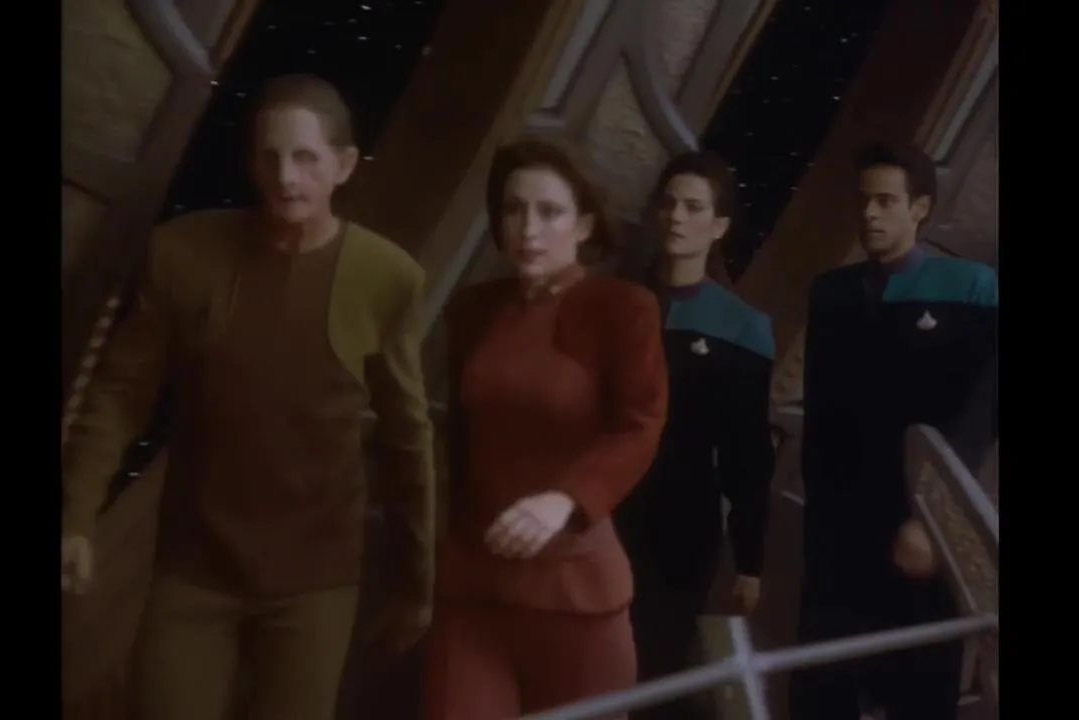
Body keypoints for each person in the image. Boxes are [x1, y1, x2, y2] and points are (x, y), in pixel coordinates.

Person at [59, 73, 435, 720]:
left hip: (316, 577)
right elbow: (120, 395)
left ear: (344, 165)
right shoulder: (184, 253)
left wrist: (416, 581)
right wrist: (76, 517)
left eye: (306, 158)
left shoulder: (386, 277)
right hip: (196, 566)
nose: (286, 177)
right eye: (270, 157)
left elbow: (407, 437)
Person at [425, 137, 668, 720]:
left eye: (550, 211)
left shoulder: (621, 309)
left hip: (576, 592)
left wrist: (564, 498)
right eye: (513, 209)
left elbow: (639, 426)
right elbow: (458, 440)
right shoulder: (473, 311)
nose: (528, 229)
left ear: (584, 225)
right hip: (474, 587)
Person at [790, 141, 998, 720]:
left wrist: (931, 518)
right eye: (863, 200)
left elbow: (980, 414)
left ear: (920, 208)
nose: (870, 214)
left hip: (924, 529)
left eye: (886, 201)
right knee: (819, 691)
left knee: (919, 691)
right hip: (840, 535)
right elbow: (823, 415)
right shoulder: (831, 292)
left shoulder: (972, 289)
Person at [614, 151, 776, 720]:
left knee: (652, 672)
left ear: (720, 225)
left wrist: (750, 560)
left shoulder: (743, 326)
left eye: (693, 207)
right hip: (601, 507)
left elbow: (746, 451)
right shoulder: (613, 302)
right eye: (669, 204)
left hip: (680, 526)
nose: (677, 217)